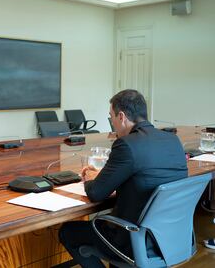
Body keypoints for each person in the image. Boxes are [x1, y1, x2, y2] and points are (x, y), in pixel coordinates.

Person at [59, 89, 188, 268]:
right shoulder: (172, 140)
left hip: (134, 241)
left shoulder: (127, 145)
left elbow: (96, 193)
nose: (112, 122)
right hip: (169, 237)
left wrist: (89, 177)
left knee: (68, 232)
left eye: (111, 117)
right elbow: (144, 174)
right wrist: (104, 176)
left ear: (121, 116)